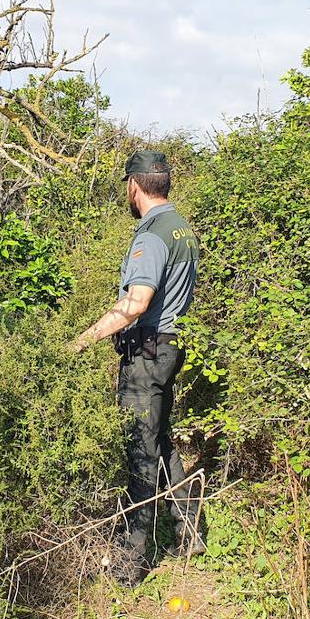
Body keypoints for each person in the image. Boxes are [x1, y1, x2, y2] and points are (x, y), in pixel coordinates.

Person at [72, 149, 205, 585]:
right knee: (160, 437)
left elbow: (136, 303)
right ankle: (190, 532)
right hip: (170, 349)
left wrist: (80, 341)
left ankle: (132, 562)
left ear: (134, 185)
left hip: (146, 356)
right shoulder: (182, 228)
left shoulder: (151, 235)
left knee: (140, 452)